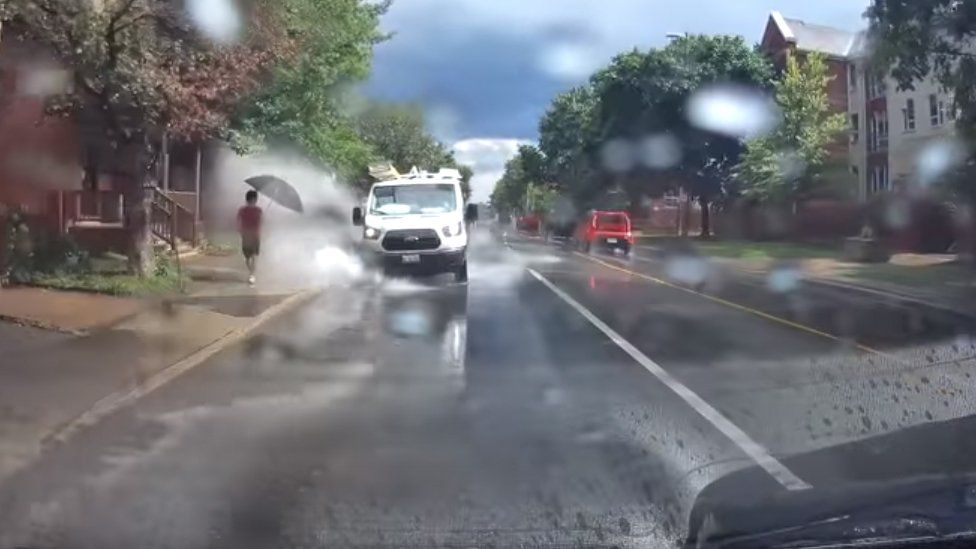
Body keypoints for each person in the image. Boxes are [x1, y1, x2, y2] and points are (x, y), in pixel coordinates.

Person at [237, 190, 263, 286]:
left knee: (254, 256)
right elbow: (238, 221)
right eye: (251, 199)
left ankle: (252, 274)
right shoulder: (242, 210)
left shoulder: (258, 210)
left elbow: (261, 222)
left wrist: (259, 216)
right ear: (248, 200)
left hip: (255, 236)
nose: (253, 201)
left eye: (254, 199)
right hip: (246, 236)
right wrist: (240, 230)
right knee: (247, 257)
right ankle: (251, 272)